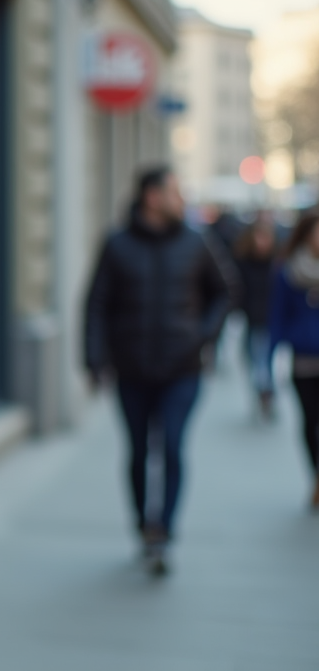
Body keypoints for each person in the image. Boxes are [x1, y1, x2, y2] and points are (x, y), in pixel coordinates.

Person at [85, 167, 236, 577]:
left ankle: (164, 530)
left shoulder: (197, 241)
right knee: (137, 451)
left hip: (183, 370)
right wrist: (94, 359)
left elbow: (224, 292)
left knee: (170, 445)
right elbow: (96, 303)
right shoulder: (117, 244)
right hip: (132, 369)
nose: (181, 199)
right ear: (152, 197)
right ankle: (142, 523)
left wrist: (203, 335)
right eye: (175, 192)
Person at [267, 210, 319, 510]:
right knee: (310, 422)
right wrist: (268, 362)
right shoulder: (288, 271)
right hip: (303, 361)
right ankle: (316, 475)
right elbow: (277, 316)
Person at [233, 215, 279, 419]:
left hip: (270, 320)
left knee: (263, 360)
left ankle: (266, 393)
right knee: (253, 359)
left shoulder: (277, 264)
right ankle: (263, 392)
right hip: (252, 318)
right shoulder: (243, 261)